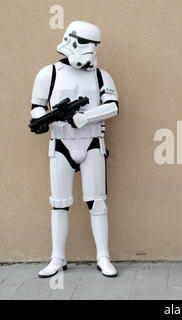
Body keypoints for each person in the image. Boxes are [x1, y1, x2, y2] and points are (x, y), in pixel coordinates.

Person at [30, 21, 119, 278]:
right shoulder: (49, 74)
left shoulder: (101, 75)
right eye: (85, 44)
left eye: (94, 46)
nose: (90, 50)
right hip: (61, 144)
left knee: (97, 202)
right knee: (59, 204)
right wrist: (43, 119)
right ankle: (58, 258)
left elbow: (112, 106)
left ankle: (103, 256)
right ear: (70, 40)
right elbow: (36, 105)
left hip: (92, 142)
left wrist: (86, 118)